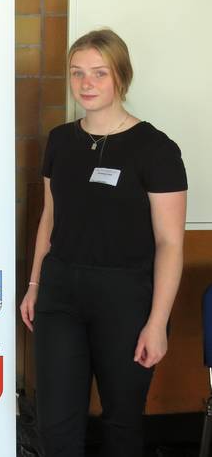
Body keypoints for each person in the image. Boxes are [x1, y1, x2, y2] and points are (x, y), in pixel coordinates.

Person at [19, 29, 187, 457]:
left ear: (121, 78)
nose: (86, 84)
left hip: (126, 298)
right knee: (56, 426)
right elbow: (50, 220)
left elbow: (169, 243)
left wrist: (157, 322)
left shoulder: (156, 149)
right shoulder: (59, 140)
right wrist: (36, 285)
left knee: (121, 423)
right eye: (77, 73)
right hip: (60, 296)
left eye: (99, 73)